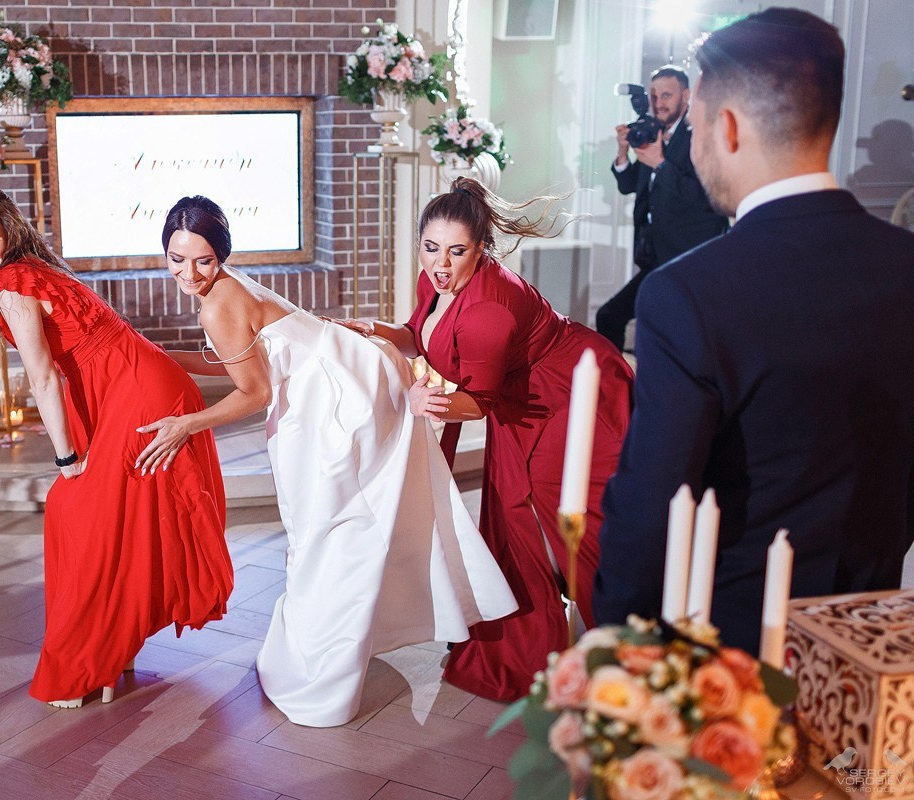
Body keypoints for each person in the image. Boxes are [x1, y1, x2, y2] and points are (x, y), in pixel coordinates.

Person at [594, 8, 914, 653]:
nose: (694, 145)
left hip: (734, 645)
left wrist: (613, 642)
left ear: (730, 127)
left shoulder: (688, 294)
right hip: (869, 627)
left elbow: (654, 503)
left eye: (697, 124)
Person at [135, 195, 518, 727]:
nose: (189, 273)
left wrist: (186, 424)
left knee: (332, 533)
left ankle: (326, 676)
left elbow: (254, 391)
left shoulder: (217, 303)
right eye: (177, 259)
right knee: (335, 532)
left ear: (221, 254)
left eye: (203, 260)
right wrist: (157, 357)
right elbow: (244, 363)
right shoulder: (226, 289)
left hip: (343, 399)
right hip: (342, 378)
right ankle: (334, 649)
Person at [0, 185, 233, 708]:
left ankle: (88, 663)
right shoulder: (30, 269)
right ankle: (113, 649)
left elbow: (44, 377)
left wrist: (67, 459)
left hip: (137, 392)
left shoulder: (11, 283)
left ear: (9, 233)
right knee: (112, 522)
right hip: (135, 382)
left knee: (82, 516)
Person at [347, 178, 634, 701]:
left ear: (481, 250)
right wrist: (376, 330)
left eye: (457, 252)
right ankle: (528, 647)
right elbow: (420, 334)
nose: (441, 263)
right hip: (521, 398)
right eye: (430, 247)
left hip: (569, 395)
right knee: (509, 518)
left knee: (580, 522)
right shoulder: (437, 280)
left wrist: (425, 400)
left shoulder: (487, 313)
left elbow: (478, 402)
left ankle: (631, 653)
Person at [596, 65, 728, 352]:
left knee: (674, 339)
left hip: (693, 260)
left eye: (666, 95)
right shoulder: (652, 133)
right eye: (654, 96)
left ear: (686, 96)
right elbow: (629, 185)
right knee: (609, 317)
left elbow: (708, 198)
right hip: (656, 258)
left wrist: (660, 163)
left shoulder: (702, 137)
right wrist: (622, 153)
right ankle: (617, 382)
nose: (658, 103)